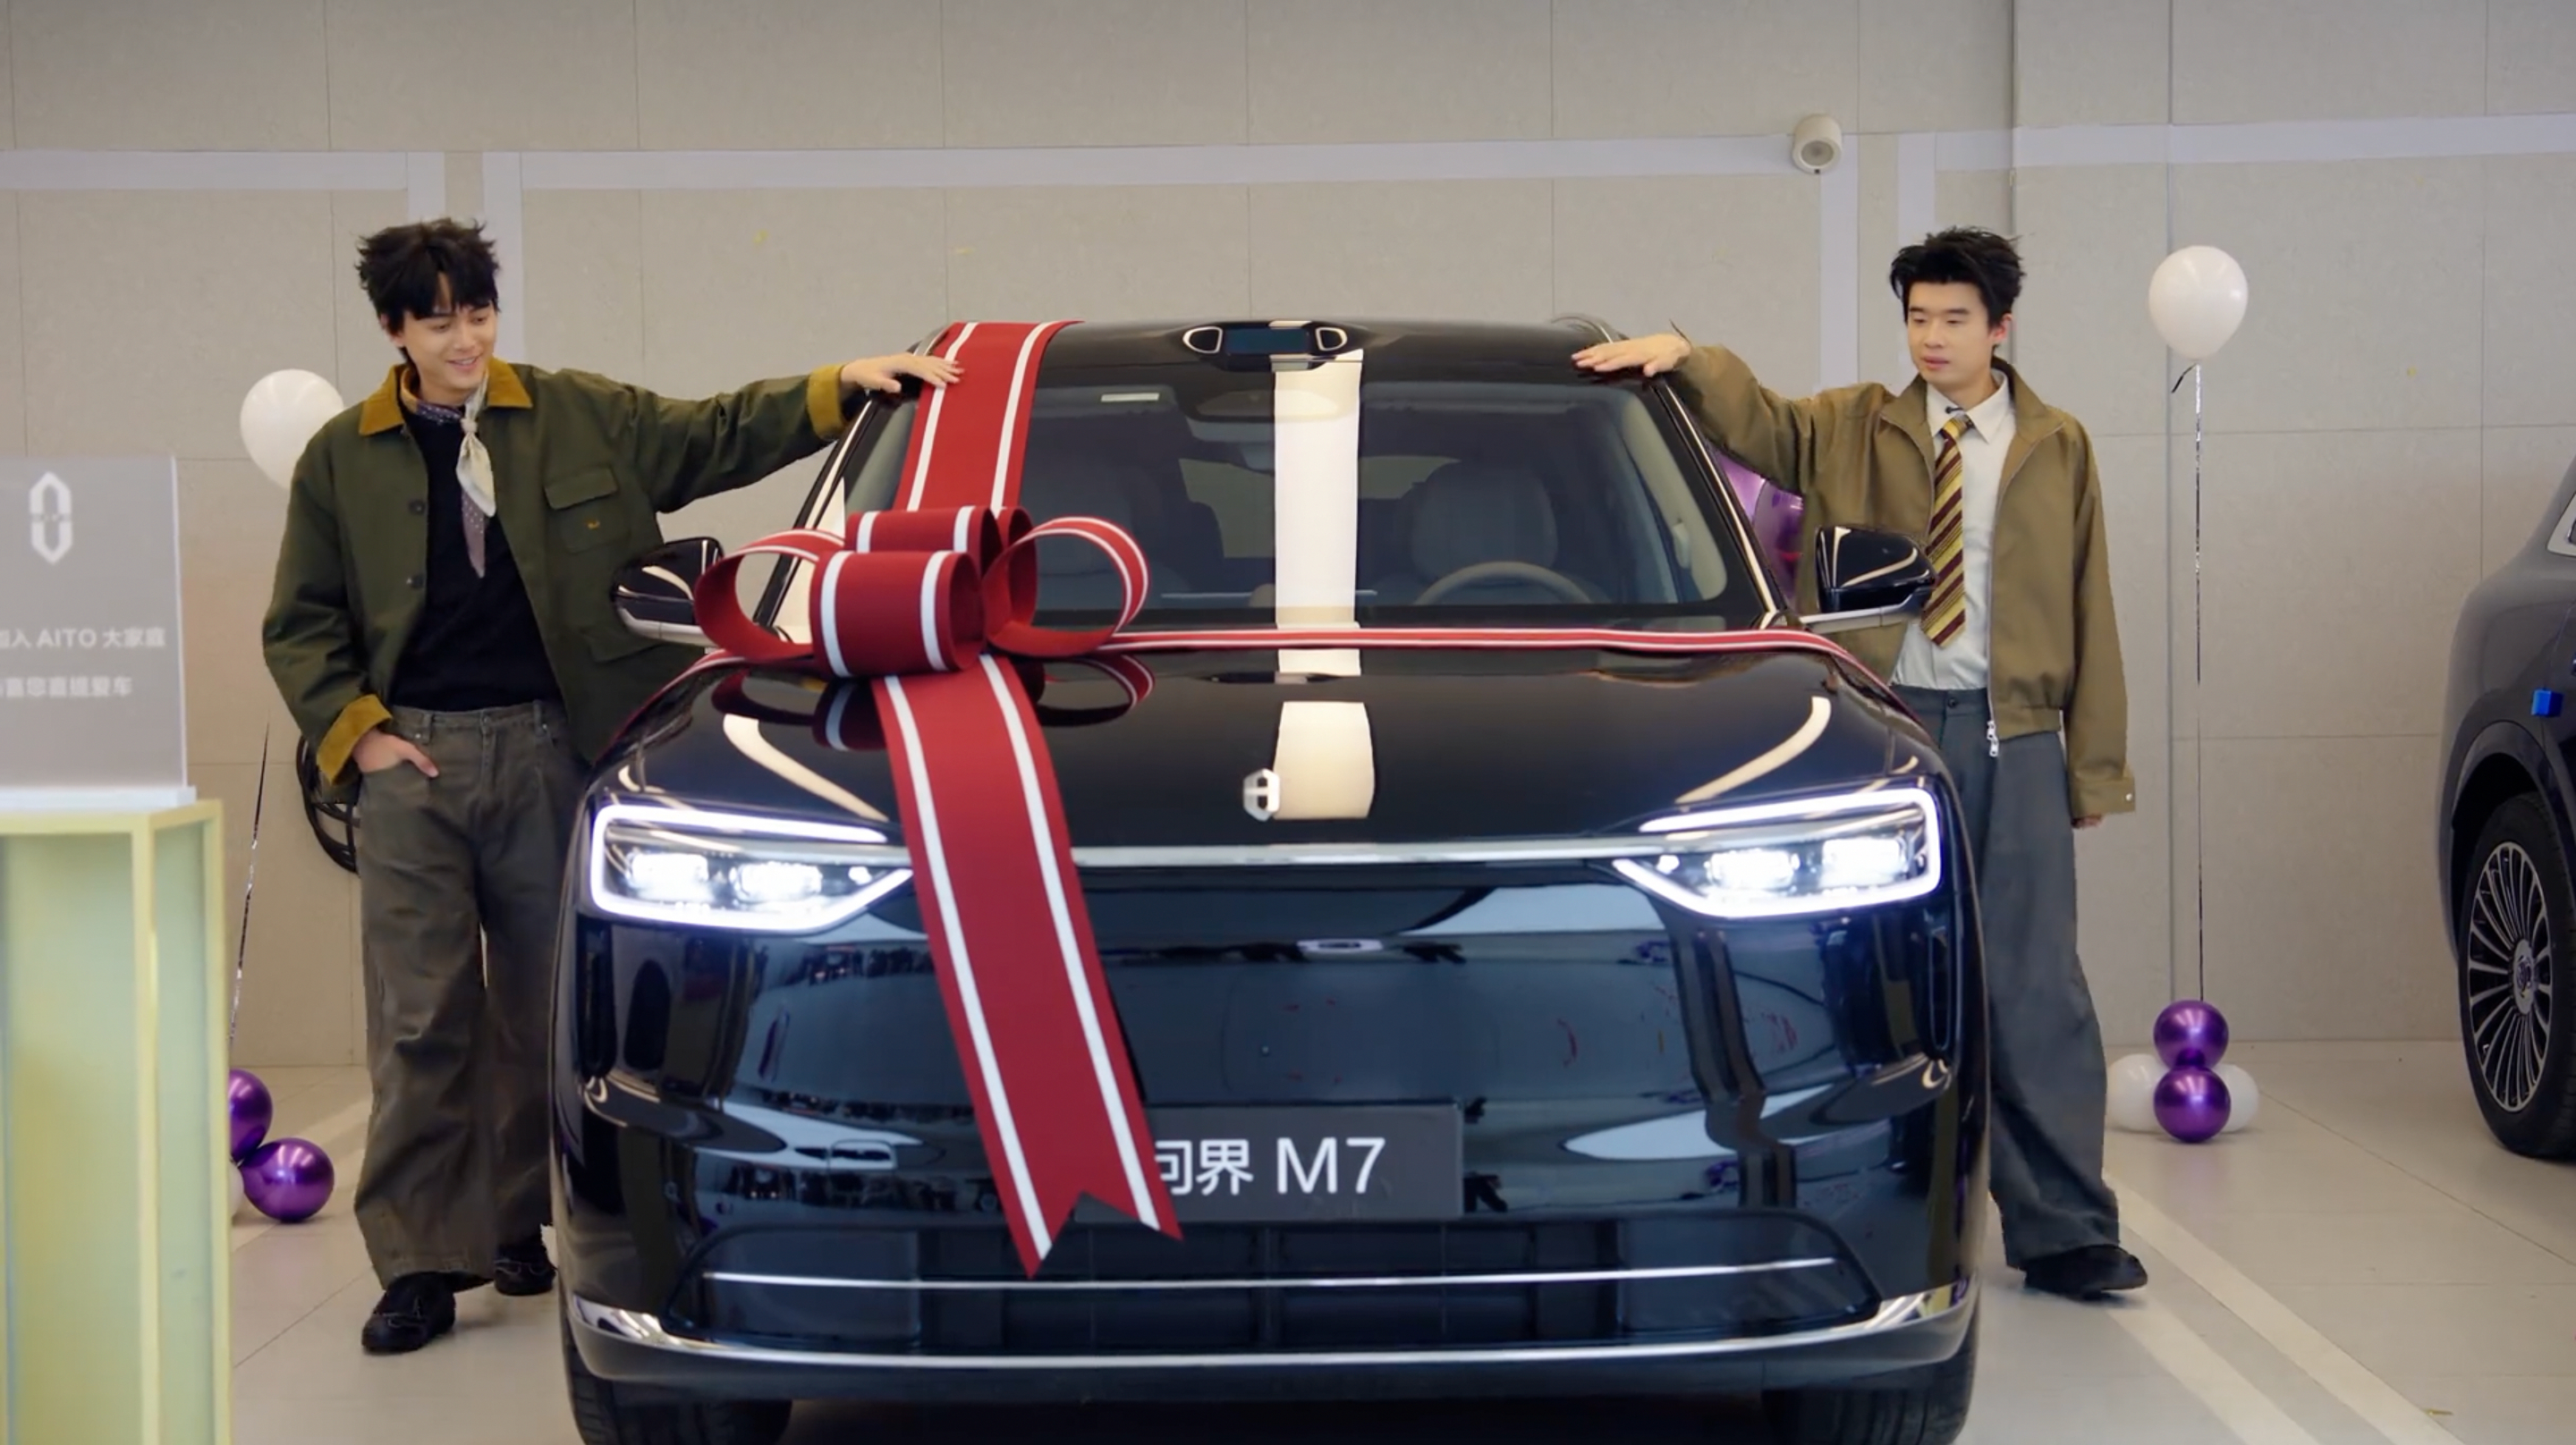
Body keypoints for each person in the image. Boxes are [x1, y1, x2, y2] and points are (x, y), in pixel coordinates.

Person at [260, 218, 958, 1354]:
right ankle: (421, 1262)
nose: (465, 338)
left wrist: (840, 386)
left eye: (478, 312)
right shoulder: (343, 457)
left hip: (554, 748)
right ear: (393, 329)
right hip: (416, 766)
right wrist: (363, 736)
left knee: (546, 1010)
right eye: (438, 320)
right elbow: (300, 622)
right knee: (421, 1017)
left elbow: (716, 432)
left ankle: (515, 1220)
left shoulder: (575, 413)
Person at [1574, 226, 2147, 1301]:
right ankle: (1859, 1218)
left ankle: (2067, 1229)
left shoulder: (2055, 444)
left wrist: (2093, 765)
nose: (1933, 338)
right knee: (1860, 980)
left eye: (1955, 319)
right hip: (1888, 727)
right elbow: (1759, 422)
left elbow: (2090, 601)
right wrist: (1688, 356)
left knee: (2034, 990)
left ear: (2000, 327)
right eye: (1919, 318)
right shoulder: (1851, 425)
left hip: (2015, 734)